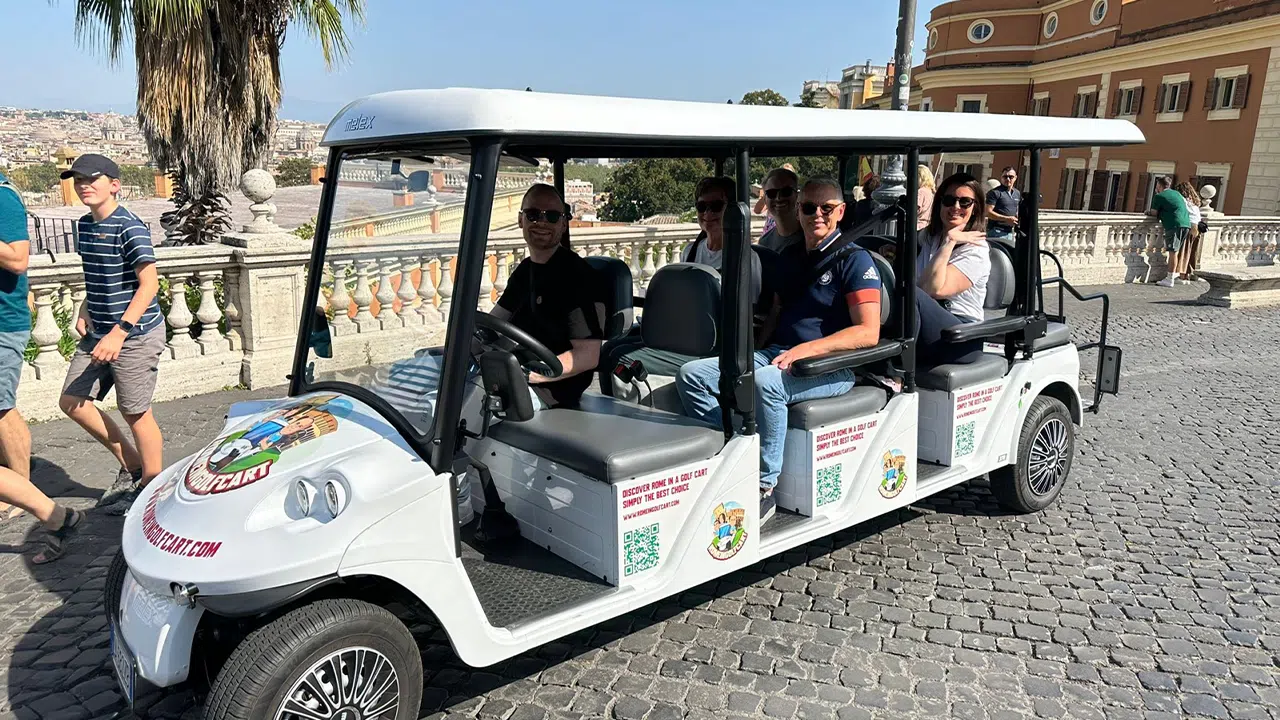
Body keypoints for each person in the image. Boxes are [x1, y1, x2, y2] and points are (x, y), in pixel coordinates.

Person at [676, 178, 882, 523]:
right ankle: (733, 451)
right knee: (692, 375)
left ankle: (763, 485)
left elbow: (868, 331)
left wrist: (806, 350)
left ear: (841, 211)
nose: (817, 214)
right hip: (781, 353)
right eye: (808, 207)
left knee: (767, 383)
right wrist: (746, 354)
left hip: (830, 365)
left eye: (826, 208)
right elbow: (776, 310)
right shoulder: (791, 256)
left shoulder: (855, 261)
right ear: (798, 211)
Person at [58, 154, 166, 516]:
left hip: (134, 334)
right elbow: (101, 277)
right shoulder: (84, 227)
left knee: (135, 412)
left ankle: (152, 491)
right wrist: (86, 307)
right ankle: (133, 466)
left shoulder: (129, 226)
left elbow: (148, 284)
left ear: (114, 185)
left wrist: (120, 333)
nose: (83, 185)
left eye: (92, 179)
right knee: (72, 401)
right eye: (78, 180)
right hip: (99, 332)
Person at [604, 176, 767, 397]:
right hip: (683, 335)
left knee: (621, 357)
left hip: (714, 347)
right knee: (609, 348)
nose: (708, 214)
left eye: (716, 206)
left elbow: (747, 318)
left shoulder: (745, 259)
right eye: (702, 207)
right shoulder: (691, 250)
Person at [0, 168, 83, 563]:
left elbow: (17, 259)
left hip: (2, 325)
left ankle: (36, 501)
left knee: (2, 410)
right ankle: (50, 513)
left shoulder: (3, 197)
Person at [491, 183, 607, 408]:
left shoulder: (579, 278)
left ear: (563, 224)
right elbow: (495, 321)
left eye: (552, 216)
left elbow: (588, 355)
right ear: (520, 220)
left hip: (547, 390)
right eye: (533, 214)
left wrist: (529, 374)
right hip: (508, 373)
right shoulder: (525, 271)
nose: (542, 222)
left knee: (446, 407)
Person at [914, 172, 992, 369]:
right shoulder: (931, 237)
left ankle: (898, 370)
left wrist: (950, 242)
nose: (955, 207)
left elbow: (933, 290)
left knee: (909, 293)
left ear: (975, 209)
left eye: (965, 202)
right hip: (929, 327)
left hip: (961, 335)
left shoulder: (977, 251)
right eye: (949, 200)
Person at [1146, 176, 1191, 287]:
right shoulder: (1177, 194)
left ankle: (1169, 279)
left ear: (1160, 186)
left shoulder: (1160, 196)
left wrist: (1147, 212)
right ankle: (1173, 275)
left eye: (1157, 186)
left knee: (1173, 252)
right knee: (1176, 251)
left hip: (1174, 224)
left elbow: (1153, 212)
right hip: (1186, 223)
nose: (1156, 188)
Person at [757, 167, 804, 253]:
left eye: (786, 191)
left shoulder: (810, 237)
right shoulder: (764, 243)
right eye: (772, 193)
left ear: (797, 196)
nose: (779, 198)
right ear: (765, 200)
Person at [1175, 181, 1202, 282]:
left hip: (1189, 225)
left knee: (1185, 251)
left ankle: (1182, 276)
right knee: (1193, 252)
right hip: (1197, 226)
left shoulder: (1182, 200)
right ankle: (1190, 273)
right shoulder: (1194, 201)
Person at [985, 166, 1022, 241]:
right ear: (1001, 178)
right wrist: (1007, 219)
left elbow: (1017, 209)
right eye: (1005, 177)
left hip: (1010, 232)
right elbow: (988, 213)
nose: (1008, 179)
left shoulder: (1017, 193)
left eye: (1011, 177)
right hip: (996, 231)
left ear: (1015, 178)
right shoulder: (994, 193)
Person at [917, 164, 937, 231]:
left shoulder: (921, 192)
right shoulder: (931, 192)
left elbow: (915, 210)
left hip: (918, 226)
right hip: (927, 227)